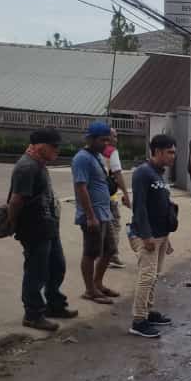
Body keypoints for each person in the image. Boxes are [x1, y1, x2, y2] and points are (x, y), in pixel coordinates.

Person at [7, 128, 77, 331]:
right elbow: (16, 200)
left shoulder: (39, 163)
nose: (57, 150)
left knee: (57, 266)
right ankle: (33, 314)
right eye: (54, 146)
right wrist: (12, 224)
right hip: (34, 228)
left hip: (48, 226)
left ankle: (54, 305)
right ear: (40, 146)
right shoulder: (26, 167)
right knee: (36, 272)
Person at [127, 134, 178, 338]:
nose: (173, 156)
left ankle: (147, 311)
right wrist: (147, 236)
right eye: (170, 152)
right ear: (157, 151)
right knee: (146, 277)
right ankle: (138, 321)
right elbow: (139, 207)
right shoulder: (143, 173)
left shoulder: (158, 173)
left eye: (174, 152)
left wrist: (167, 237)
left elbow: (161, 206)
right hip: (147, 235)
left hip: (160, 235)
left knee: (154, 275)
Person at [72, 121, 118, 305]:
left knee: (109, 250)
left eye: (108, 140)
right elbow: (81, 188)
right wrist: (90, 216)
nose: (106, 143)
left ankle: (98, 283)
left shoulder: (98, 157)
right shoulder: (81, 159)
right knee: (90, 253)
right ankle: (90, 290)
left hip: (104, 213)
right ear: (90, 139)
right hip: (92, 216)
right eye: (102, 140)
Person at [104, 128, 132, 269]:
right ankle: (112, 255)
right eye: (114, 136)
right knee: (114, 224)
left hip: (97, 195)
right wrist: (126, 195)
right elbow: (118, 174)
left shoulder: (94, 150)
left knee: (103, 226)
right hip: (110, 195)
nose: (116, 139)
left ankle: (102, 254)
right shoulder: (112, 152)